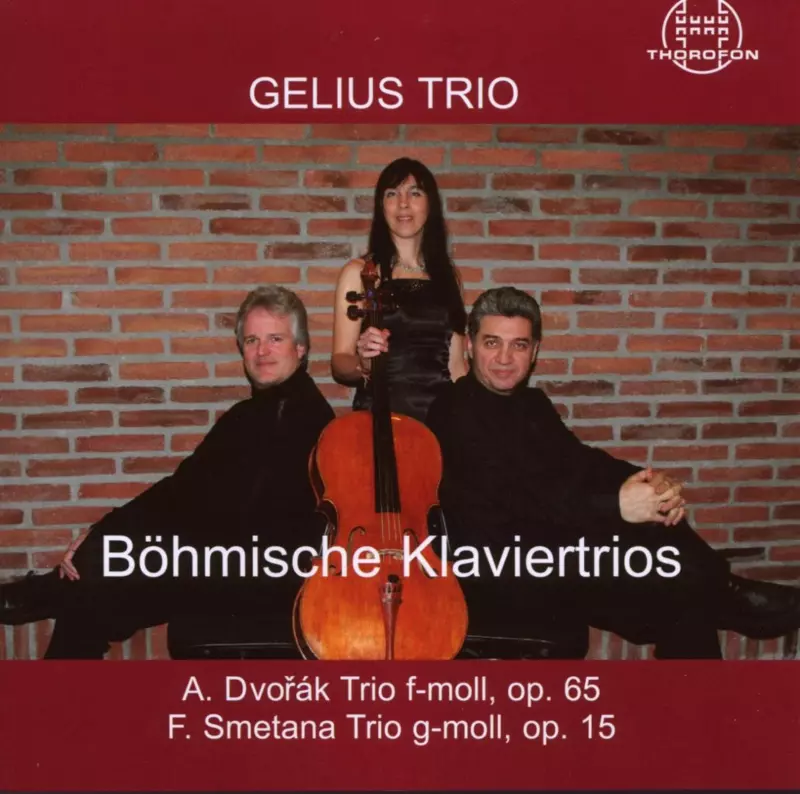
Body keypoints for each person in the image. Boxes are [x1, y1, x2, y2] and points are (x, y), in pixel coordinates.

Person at [425, 286, 800, 659]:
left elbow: (582, 463)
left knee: (680, 580)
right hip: (502, 566)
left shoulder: (531, 404)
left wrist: (645, 482)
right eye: (492, 343)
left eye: (519, 345)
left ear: (534, 351)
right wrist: (617, 505)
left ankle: (715, 621)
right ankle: (729, 596)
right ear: (470, 346)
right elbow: (517, 499)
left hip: (554, 549)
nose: (505, 358)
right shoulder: (452, 410)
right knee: (679, 580)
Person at [0, 286, 335, 658]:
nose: (262, 351)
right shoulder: (250, 414)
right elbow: (182, 489)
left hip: (265, 573)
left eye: (275, 339)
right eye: (252, 340)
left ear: (300, 348)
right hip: (229, 559)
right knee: (90, 595)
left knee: (99, 578)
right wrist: (104, 530)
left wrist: (123, 541)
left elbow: (236, 514)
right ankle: (58, 632)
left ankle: (49, 597)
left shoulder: (306, 416)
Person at [331, 157, 468, 422]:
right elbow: (340, 360)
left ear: (430, 204)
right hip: (381, 416)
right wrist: (363, 363)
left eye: (415, 193)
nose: (403, 203)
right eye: (392, 194)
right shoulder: (360, 273)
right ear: (381, 206)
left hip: (441, 418)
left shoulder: (449, 276)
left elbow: (456, 365)